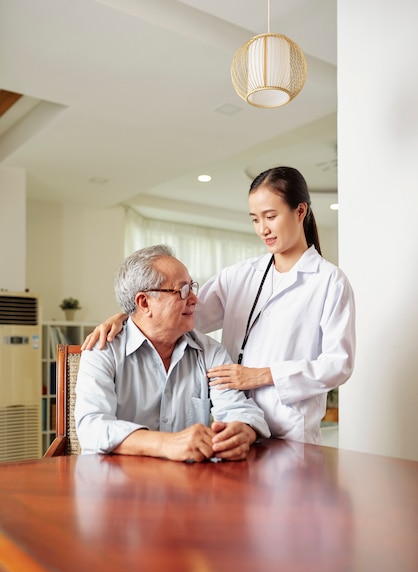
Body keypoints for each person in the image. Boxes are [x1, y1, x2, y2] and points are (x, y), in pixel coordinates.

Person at [82, 166, 355, 444]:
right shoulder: (240, 275)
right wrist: (127, 317)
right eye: (255, 219)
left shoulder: (329, 282)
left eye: (271, 216)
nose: (263, 229)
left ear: (300, 212)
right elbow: (179, 313)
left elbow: (338, 365)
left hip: (290, 433)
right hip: (232, 429)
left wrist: (260, 376)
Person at [75, 245, 270, 461]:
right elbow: (92, 427)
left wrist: (242, 431)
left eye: (192, 287)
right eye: (182, 290)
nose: (195, 299)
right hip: (119, 484)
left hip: (191, 484)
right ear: (144, 302)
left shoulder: (210, 352)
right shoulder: (103, 350)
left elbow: (239, 409)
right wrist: (165, 444)